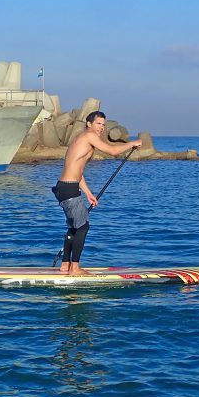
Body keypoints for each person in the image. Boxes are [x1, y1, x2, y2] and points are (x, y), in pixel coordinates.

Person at [52, 111, 142, 275]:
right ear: (89, 124)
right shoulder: (89, 136)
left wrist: (88, 193)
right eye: (98, 123)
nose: (101, 127)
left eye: (103, 124)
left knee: (74, 226)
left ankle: (65, 265)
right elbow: (113, 151)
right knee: (82, 227)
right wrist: (132, 144)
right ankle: (75, 268)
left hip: (64, 187)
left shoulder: (79, 139)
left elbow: (77, 170)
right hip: (69, 188)